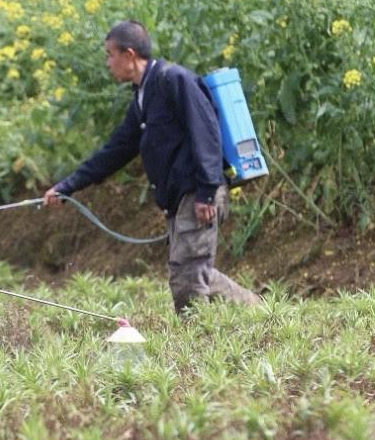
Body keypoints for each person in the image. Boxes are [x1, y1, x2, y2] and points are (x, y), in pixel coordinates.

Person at [42, 20, 261, 314]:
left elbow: (206, 132)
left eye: (110, 54)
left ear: (130, 55)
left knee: (187, 272)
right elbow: (115, 151)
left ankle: (193, 347)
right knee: (194, 270)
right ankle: (257, 309)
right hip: (177, 196)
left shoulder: (175, 80)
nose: (108, 63)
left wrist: (207, 192)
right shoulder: (142, 97)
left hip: (196, 191)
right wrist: (67, 186)